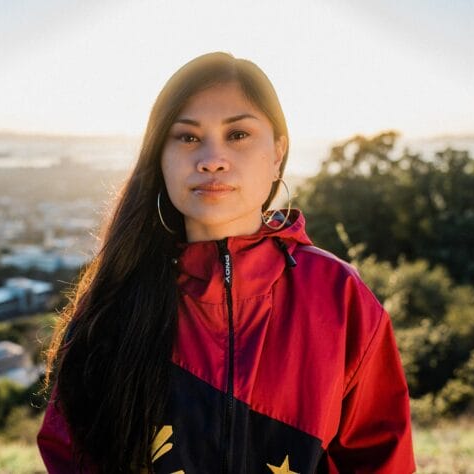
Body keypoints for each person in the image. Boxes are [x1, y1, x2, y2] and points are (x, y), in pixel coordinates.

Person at [37, 51, 415, 473]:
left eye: (237, 135)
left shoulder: (339, 297)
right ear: (159, 158)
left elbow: (381, 462)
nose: (211, 159)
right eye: (187, 137)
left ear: (277, 153)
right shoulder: (113, 300)